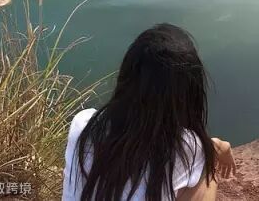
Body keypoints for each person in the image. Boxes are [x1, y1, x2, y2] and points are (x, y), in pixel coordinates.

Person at [62, 23, 236, 200]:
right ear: (189, 92)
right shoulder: (188, 148)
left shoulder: (82, 124)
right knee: (207, 166)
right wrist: (212, 150)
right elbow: (198, 149)